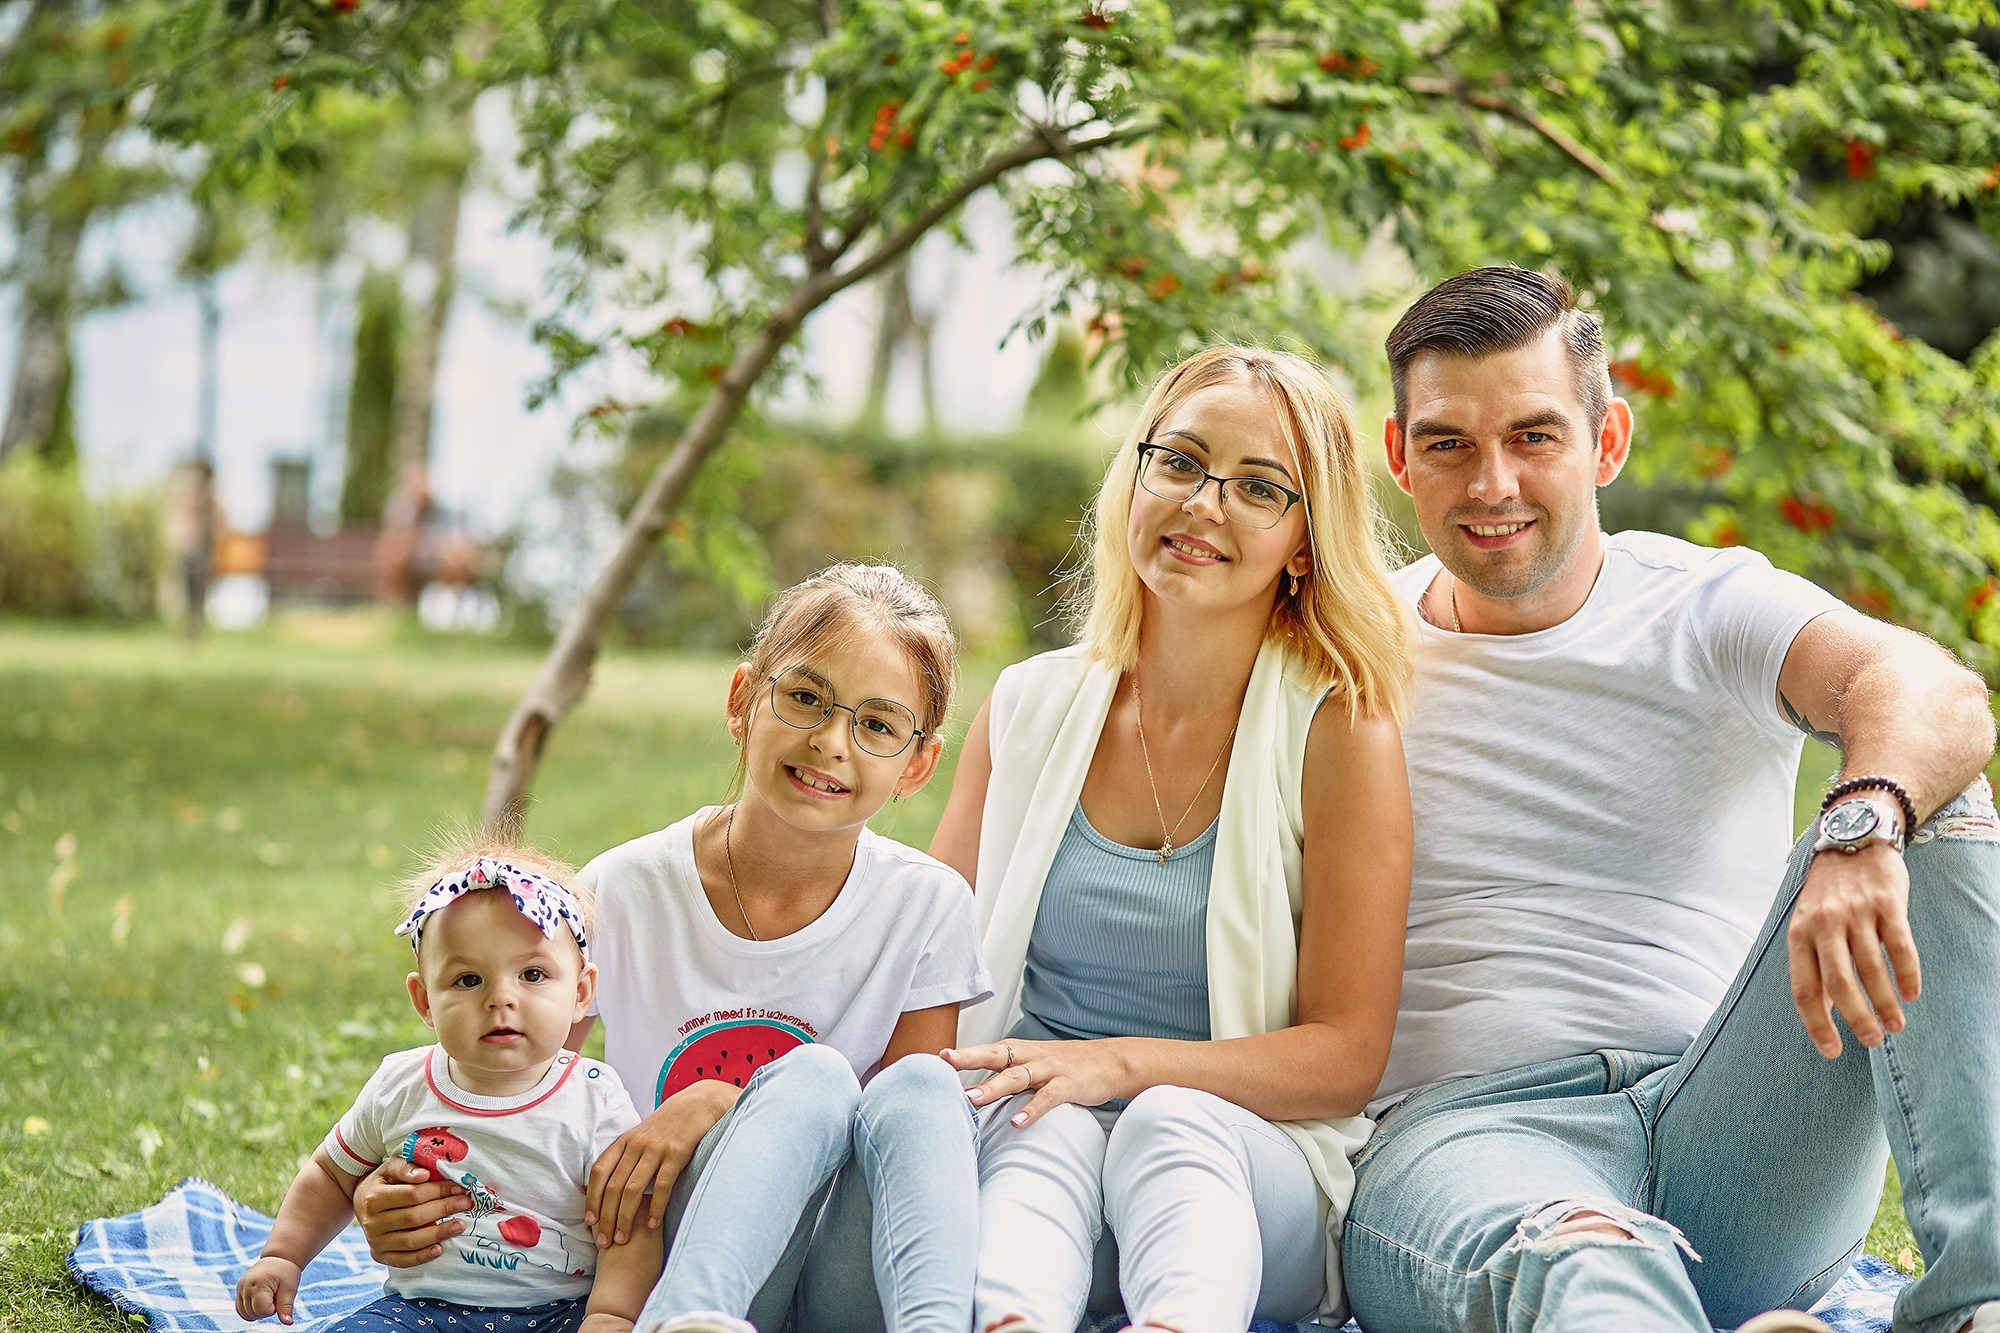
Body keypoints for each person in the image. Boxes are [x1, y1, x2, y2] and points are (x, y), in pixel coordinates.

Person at [1340, 265, 2000, 1333]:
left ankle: (1976, 1303)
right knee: (1579, 1263)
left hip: (1733, 1127)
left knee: (1938, 810)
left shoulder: (1701, 604)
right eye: (1447, 443)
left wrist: (1857, 824)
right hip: (1468, 1142)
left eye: (1533, 436)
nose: (1490, 482)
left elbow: (1936, 693)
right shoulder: (1339, 636)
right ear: (1396, 456)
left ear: (1606, 443)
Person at [352, 563, 992, 1333]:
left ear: (917, 763)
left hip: (838, 1278)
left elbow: (899, 1149)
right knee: (816, 1071)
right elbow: (514, 1095)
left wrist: (722, 1098)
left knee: (925, 1085)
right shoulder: (623, 889)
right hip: (657, 1254)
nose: (830, 741)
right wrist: (397, 1192)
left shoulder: (926, 905)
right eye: (805, 698)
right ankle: (691, 1317)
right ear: (742, 701)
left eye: (879, 724)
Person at [929, 344, 1416, 1333]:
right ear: (1135, 478)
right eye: (1181, 463)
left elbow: (1344, 1054)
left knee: (1164, 1120)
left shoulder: (1339, 728)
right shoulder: (1027, 706)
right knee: (1041, 1123)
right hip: (1025, 1146)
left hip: (1246, 1171)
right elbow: (926, 974)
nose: (1203, 504)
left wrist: (1120, 1064)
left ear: (1304, 540)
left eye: (1257, 487)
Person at [235, 844, 656, 1333]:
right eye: (468, 979)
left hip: (561, 1314)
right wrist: (283, 1256)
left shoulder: (594, 1097)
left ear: (582, 992)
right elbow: (332, 1175)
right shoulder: (401, 1084)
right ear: (424, 1000)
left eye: (533, 974)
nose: (501, 998)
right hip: (420, 1314)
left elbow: (628, 1221)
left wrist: (611, 1315)